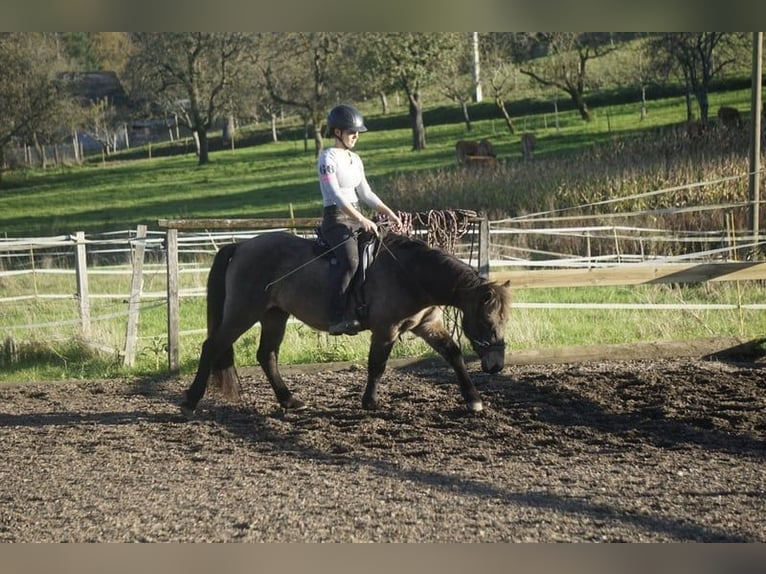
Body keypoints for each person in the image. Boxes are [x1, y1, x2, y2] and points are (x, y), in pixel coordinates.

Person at [317, 103, 402, 336]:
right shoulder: (327, 158)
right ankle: (335, 316)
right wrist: (362, 219)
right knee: (351, 262)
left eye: (357, 132)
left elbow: (366, 194)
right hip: (336, 219)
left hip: (356, 215)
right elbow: (335, 194)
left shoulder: (355, 159)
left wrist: (389, 213)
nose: (356, 136)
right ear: (337, 132)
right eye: (351, 131)